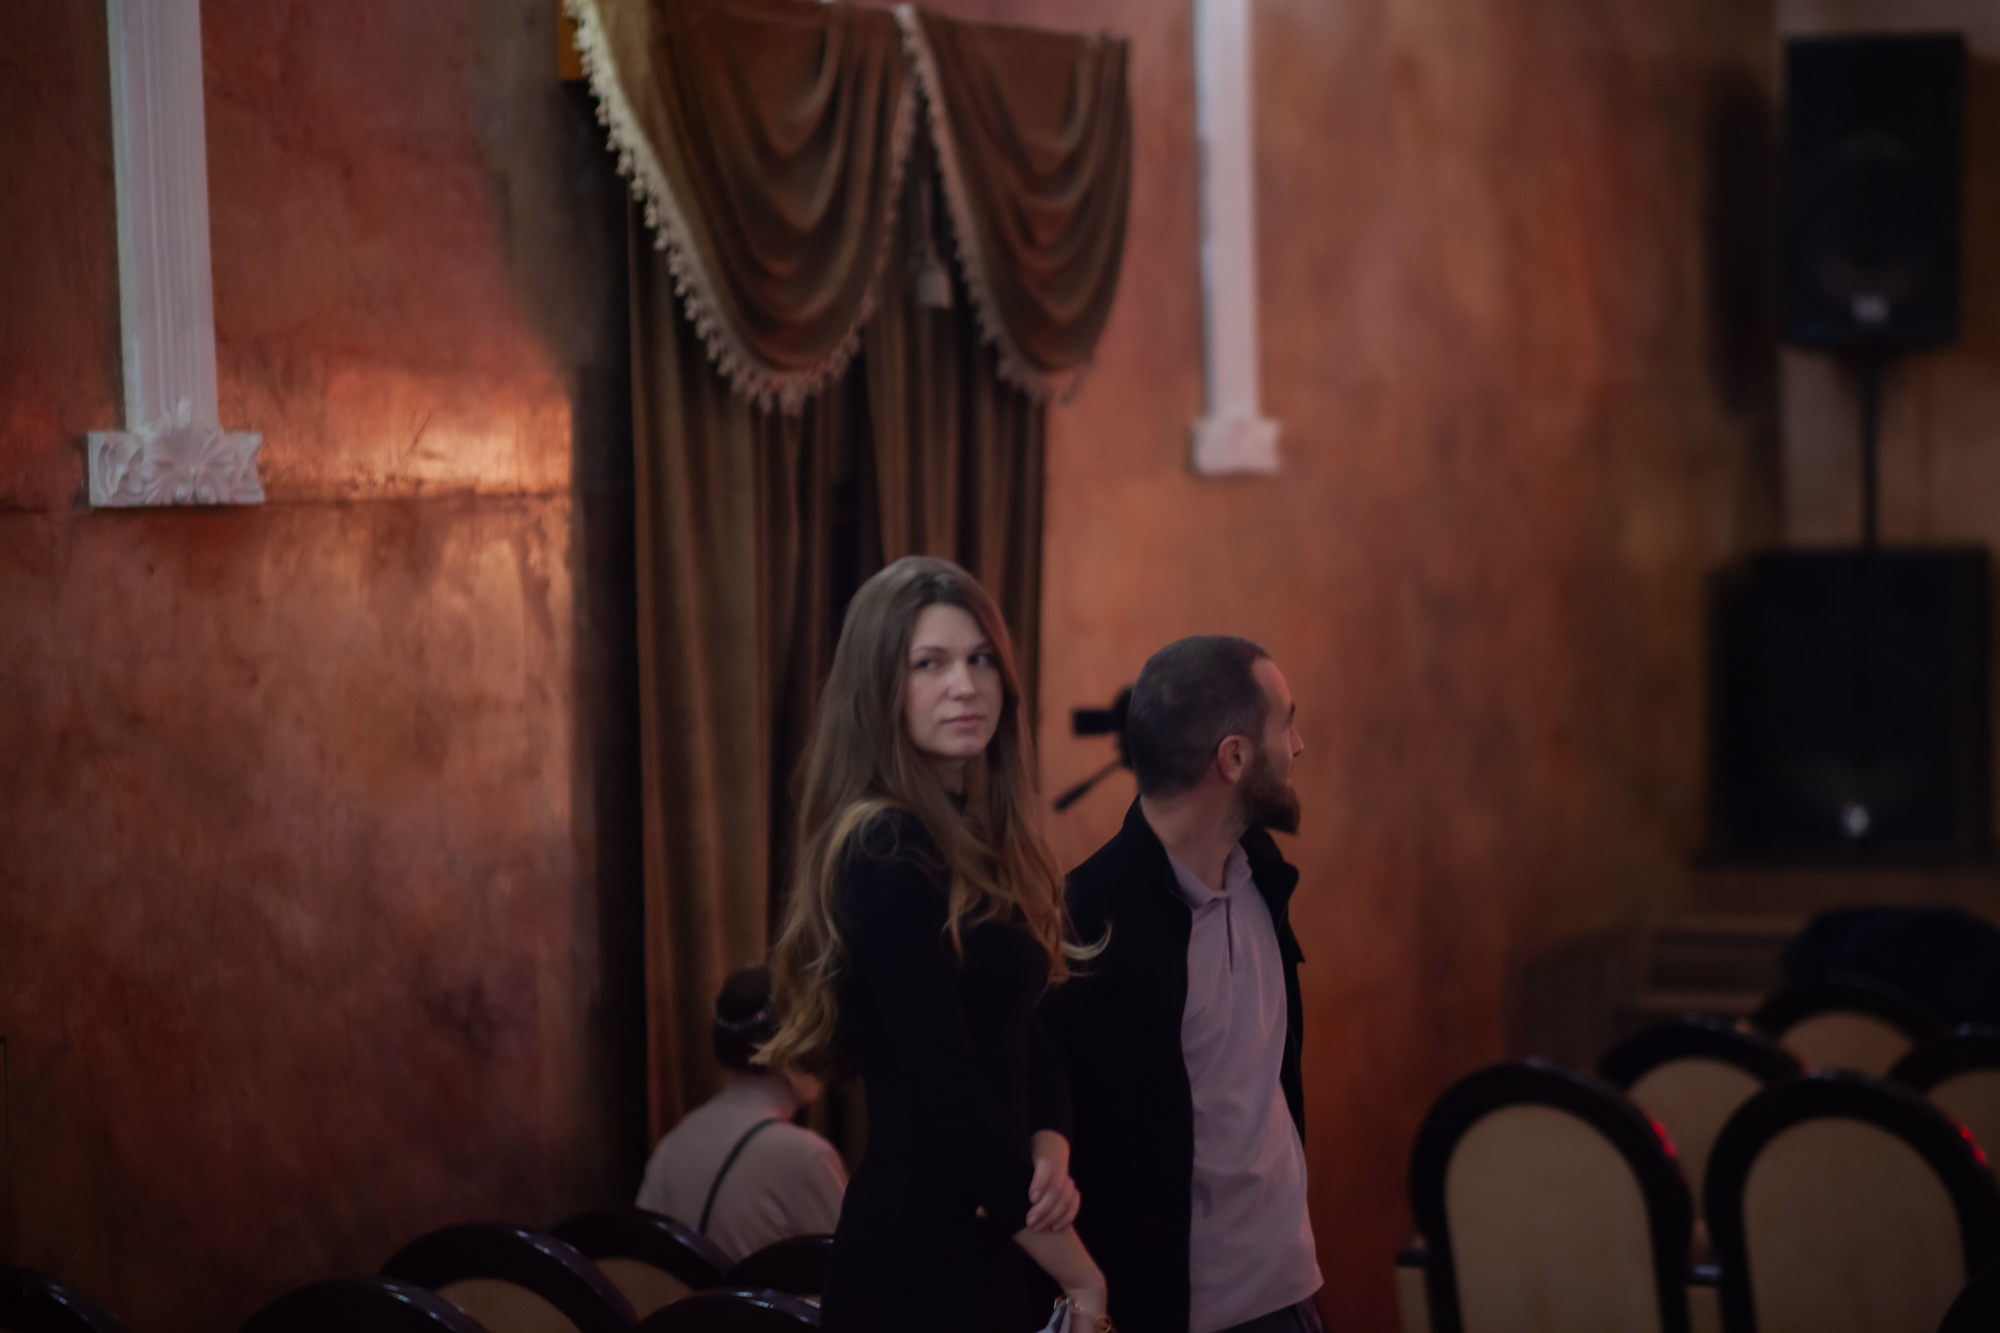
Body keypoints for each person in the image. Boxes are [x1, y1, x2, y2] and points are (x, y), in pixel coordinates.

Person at [762, 556, 1110, 1333]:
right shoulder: (884, 847)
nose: (965, 684)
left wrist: (1049, 1156)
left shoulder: (973, 840)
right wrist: (1081, 1275)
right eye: (931, 663)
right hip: (915, 1260)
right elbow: (945, 1095)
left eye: (981, 659)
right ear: (880, 688)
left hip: (992, 1240)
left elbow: (1032, 1040)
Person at [1046, 636, 1322, 1333]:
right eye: (1286, 723)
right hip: (1180, 1311)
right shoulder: (1088, 923)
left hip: (1290, 1291)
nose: (1298, 743)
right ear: (1234, 757)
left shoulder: (1263, 874)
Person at [634, 964, 847, 1263]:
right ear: (787, 1049)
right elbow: (858, 1273)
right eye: (814, 1034)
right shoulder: (807, 1157)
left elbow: (641, 1264)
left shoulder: (674, 1144)